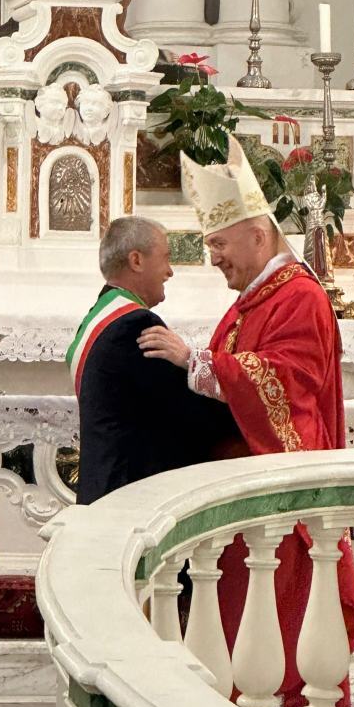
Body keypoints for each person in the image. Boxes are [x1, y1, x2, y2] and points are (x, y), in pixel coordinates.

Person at [137, 135, 354, 707]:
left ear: (258, 235)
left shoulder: (301, 297)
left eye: (219, 242)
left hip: (280, 493)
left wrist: (199, 362)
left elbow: (289, 381)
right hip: (243, 492)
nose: (212, 256)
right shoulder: (255, 299)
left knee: (278, 621)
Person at [67, 216, 242, 506]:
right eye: (165, 258)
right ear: (136, 260)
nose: (170, 271)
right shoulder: (134, 326)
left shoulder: (97, 318)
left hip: (105, 486)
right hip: (129, 498)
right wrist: (251, 399)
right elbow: (189, 413)